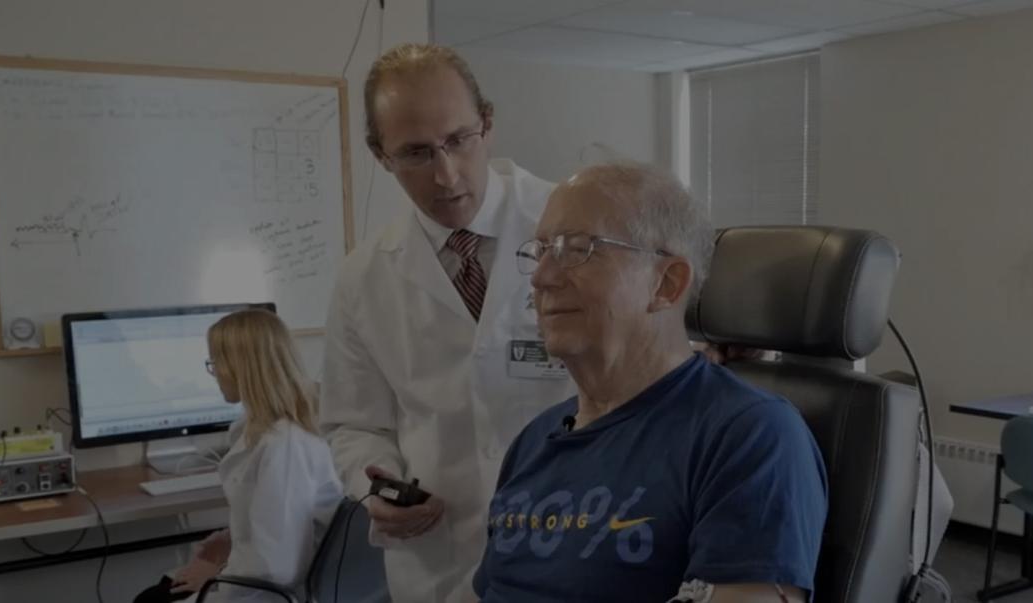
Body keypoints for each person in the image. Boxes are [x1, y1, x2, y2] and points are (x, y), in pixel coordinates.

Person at [473, 162, 828, 603]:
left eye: (576, 248)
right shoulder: (532, 442)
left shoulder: (750, 436)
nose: (541, 277)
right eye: (541, 250)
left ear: (666, 283)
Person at [318, 43, 575, 602]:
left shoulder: (573, 226)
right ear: (379, 154)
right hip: (438, 558)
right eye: (414, 153)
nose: (446, 174)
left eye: (458, 140)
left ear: (486, 123)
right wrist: (377, 484)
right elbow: (352, 425)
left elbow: (655, 358)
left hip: (571, 544)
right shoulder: (362, 278)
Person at [136, 309, 343, 603]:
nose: (214, 372)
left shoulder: (282, 446)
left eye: (216, 362)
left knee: (151, 600)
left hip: (271, 592)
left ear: (240, 366)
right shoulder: (277, 430)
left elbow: (277, 568)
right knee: (157, 592)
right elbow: (283, 526)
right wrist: (233, 540)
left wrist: (215, 576)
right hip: (265, 578)